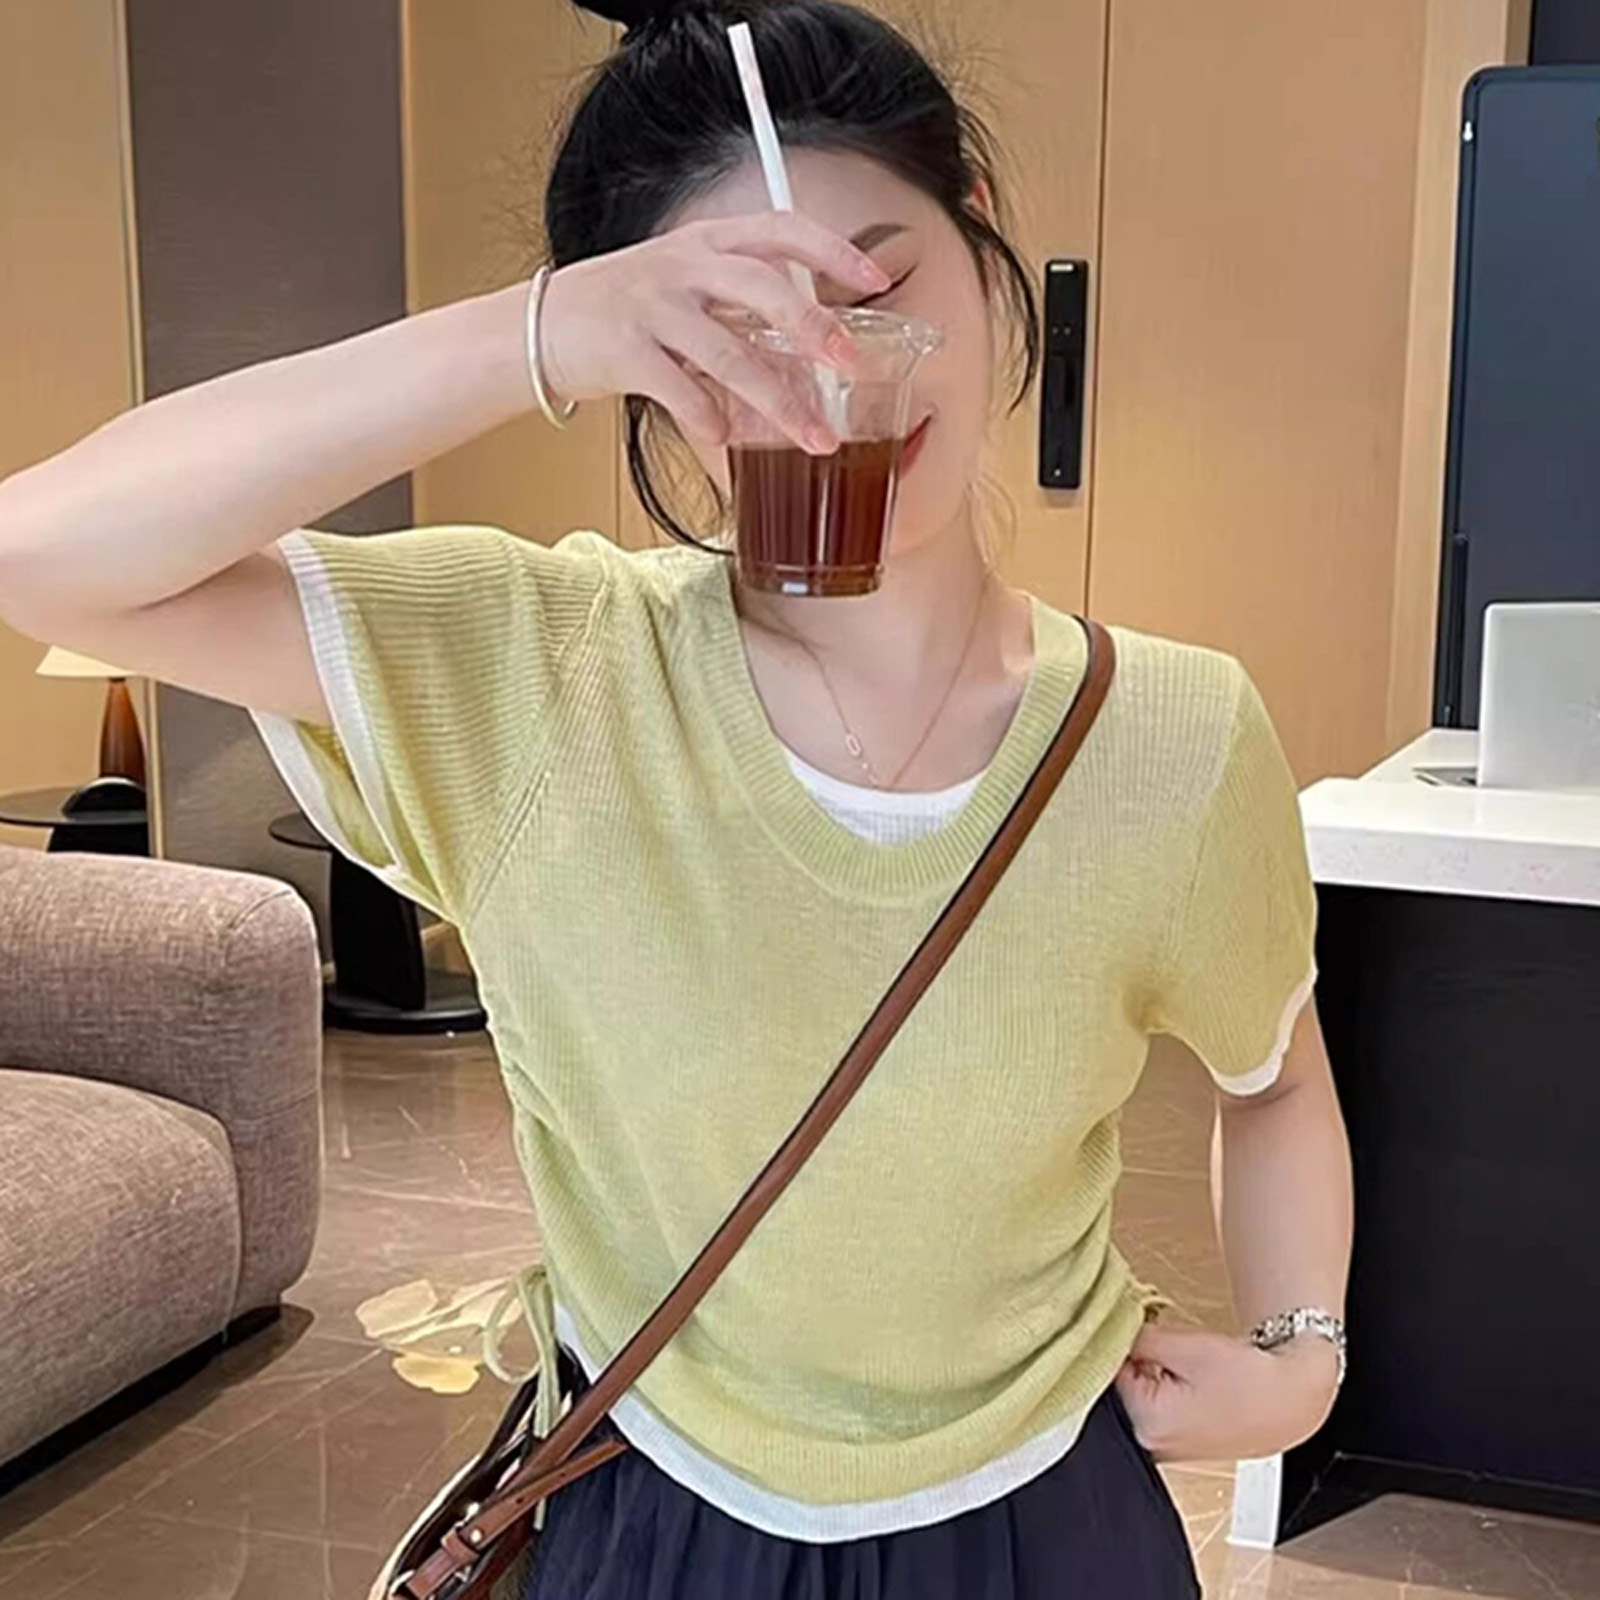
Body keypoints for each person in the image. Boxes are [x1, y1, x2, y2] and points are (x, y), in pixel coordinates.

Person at [0, 0, 1352, 1593]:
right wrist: (537, 333)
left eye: (876, 285)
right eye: (736, 332)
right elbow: (40, 556)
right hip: (658, 1507)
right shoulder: (541, 668)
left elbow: (1274, 1077)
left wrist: (1302, 1357)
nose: (833, 376)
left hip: (1047, 1516)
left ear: (983, 247)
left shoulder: (1172, 733)